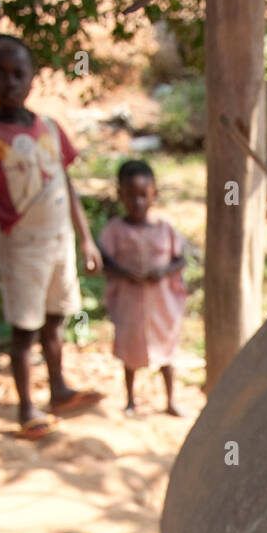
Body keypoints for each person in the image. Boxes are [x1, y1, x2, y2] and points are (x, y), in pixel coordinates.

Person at [0, 33, 103, 440]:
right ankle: (27, 406)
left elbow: (67, 185)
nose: (9, 82)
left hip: (59, 242)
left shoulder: (51, 128)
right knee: (25, 329)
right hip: (21, 247)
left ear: (33, 78)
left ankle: (59, 389)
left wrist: (86, 239)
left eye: (17, 73)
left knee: (55, 319)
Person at [97, 161, 188, 417]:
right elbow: (103, 259)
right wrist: (124, 273)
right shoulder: (115, 230)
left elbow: (180, 258)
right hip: (129, 303)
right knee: (130, 353)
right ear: (120, 196)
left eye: (143, 196)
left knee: (166, 352)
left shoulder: (165, 229)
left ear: (153, 196)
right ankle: (130, 401)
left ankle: (170, 400)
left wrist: (163, 272)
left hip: (162, 305)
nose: (137, 202)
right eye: (130, 196)